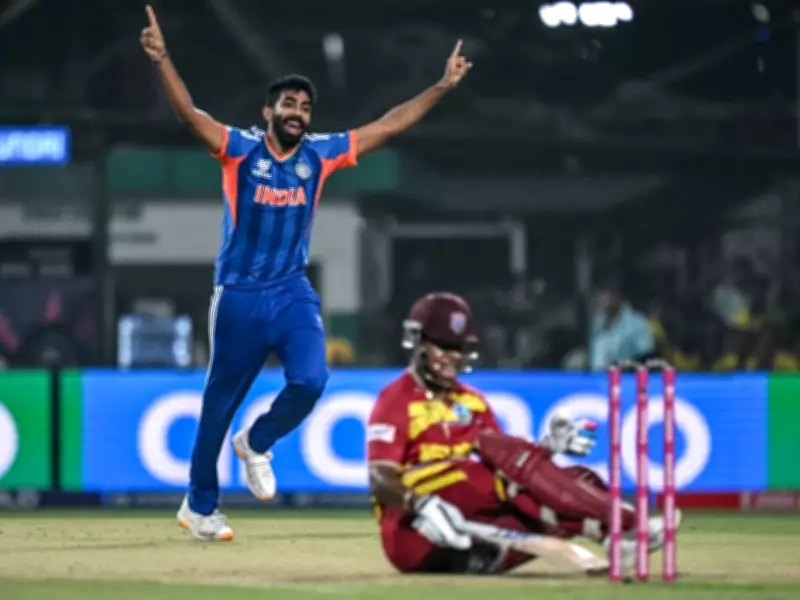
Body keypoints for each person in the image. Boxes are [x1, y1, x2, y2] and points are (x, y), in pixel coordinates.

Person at [139, 6, 473, 541]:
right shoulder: (239, 149)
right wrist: (161, 59)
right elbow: (187, 112)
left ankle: (257, 442)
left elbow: (388, 124)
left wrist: (441, 87)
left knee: (312, 380)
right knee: (218, 404)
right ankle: (199, 508)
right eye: (289, 104)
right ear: (268, 111)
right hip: (239, 294)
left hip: (291, 291)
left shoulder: (319, 154)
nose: (298, 112)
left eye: (305, 107)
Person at [368, 291, 677, 574]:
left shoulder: (472, 401)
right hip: (411, 529)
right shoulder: (395, 399)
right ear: (418, 343)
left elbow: (512, 466)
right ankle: (627, 522)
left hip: (467, 528)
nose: (454, 357)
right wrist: (419, 503)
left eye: (459, 348)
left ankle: (615, 541)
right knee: (495, 456)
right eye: (444, 347)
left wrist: (547, 448)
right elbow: (380, 478)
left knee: (579, 480)